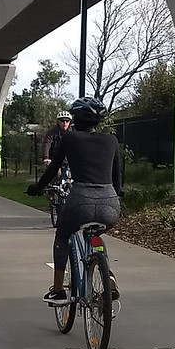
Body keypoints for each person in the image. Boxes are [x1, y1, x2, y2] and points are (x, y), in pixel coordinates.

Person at [27, 97, 121, 304]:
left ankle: (58, 289)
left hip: (80, 201)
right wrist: (117, 195)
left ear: (75, 119)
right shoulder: (111, 140)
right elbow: (117, 179)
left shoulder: (70, 138)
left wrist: (36, 189)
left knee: (62, 234)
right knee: (96, 235)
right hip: (110, 204)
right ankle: (108, 277)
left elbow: (53, 168)